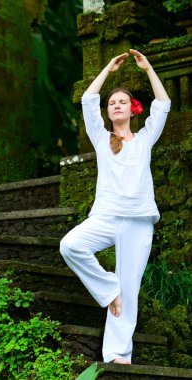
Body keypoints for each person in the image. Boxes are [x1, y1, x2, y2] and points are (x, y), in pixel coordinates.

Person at [60, 49, 171, 365]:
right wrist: (108, 69)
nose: (117, 105)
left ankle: (117, 356)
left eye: (122, 101)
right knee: (70, 246)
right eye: (112, 103)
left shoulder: (145, 139)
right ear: (108, 113)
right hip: (106, 217)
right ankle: (109, 290)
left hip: (138, 223)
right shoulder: (100, 138)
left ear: (133, 110)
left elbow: (163, 105)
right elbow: (87, 100)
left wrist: (148, 68)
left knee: (131, 291)